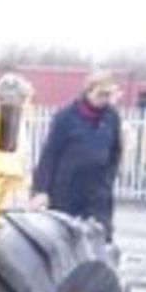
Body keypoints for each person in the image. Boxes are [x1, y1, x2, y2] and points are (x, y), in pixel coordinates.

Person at [32, 71, 123, 232]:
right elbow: (50, 154)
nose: (105, 99)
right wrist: (41, 190)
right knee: (64, 237)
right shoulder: (65, 117)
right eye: (101, 94)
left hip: (98, 192)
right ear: (88, 91)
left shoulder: (112, 117)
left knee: (100, 237)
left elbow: (115, 151)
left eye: (108, 95)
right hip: (66, 191)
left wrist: (108, 179)